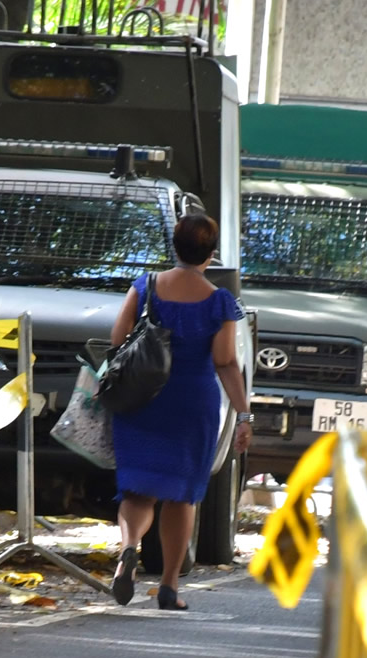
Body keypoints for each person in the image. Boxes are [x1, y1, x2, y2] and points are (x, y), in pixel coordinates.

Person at [108, 213, 253, 611]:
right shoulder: (221, 302)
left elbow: (118, 339)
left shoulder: (146, 286)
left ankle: (129, 548)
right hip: (192, 405)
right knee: (181, 497)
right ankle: (169, 585)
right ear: (210, 253)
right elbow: (225, 362)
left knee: (138, 488)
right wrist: (244, 415)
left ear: (175, 247)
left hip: (142, 399)